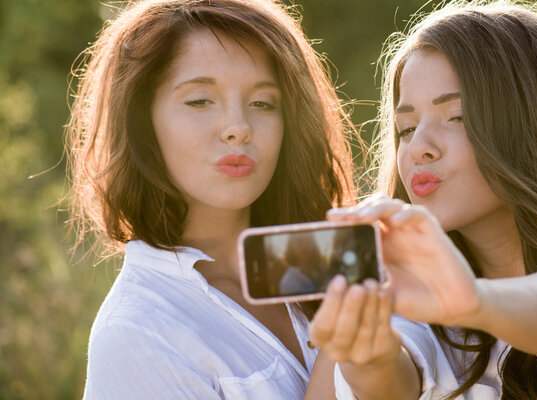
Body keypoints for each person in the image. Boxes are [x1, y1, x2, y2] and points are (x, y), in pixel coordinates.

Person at [307, 1, 537, 399]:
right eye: (406, 128)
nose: (418, 149)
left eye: (457, 117)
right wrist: (367, 357)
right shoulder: (401, 295)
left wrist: (473, 302)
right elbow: (393, 373)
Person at [64, 0, 357, 398]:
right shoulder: (137, 331)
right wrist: (347, 334)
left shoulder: (321, 256)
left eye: (263, 103)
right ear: (142, 120)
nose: (238, 127)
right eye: (200, 101)